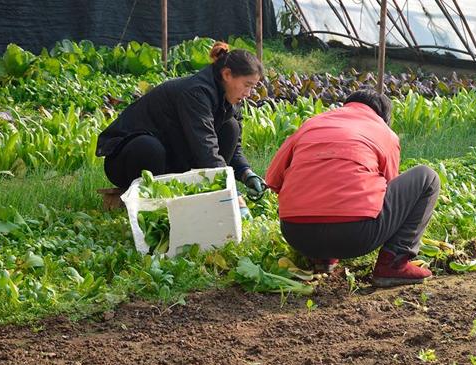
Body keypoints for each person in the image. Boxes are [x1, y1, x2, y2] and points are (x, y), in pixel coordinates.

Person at [265, 90, 440, 287]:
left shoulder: (311, 124)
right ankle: (393, 264)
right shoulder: (383, 132)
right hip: (356, 236)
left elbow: (272, 179)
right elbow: (388, 187)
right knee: (428, 177)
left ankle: (321, 258)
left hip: (297, 234)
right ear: (384, 118)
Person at [95, 41, 266, 202]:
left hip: (171, 155)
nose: (249, 93)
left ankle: (202, 191)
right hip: (127, 159)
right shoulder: (196, 93)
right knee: (149, 147)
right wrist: (230, 193)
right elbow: (205, 146)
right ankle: (149, 199)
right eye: (247, 85)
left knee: (231, 128)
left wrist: (246, 173)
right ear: (227, 74)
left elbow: (234, 147)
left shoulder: (231, 100)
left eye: (253, 87)